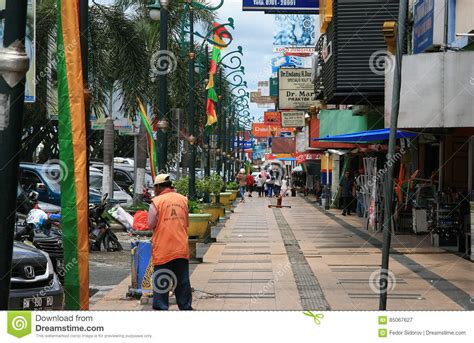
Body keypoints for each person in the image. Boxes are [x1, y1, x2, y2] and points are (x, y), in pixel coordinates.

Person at [147, 174, 192, 310]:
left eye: (155, 187)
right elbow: (186, 221)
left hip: (163, 248)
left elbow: (150, 223)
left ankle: (161, 308)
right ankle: (185, 307)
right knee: (182, 281)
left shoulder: (157, 201)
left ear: (159, 186)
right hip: (181, 247)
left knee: (162, 280)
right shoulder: (183, 199)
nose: (154, 190)